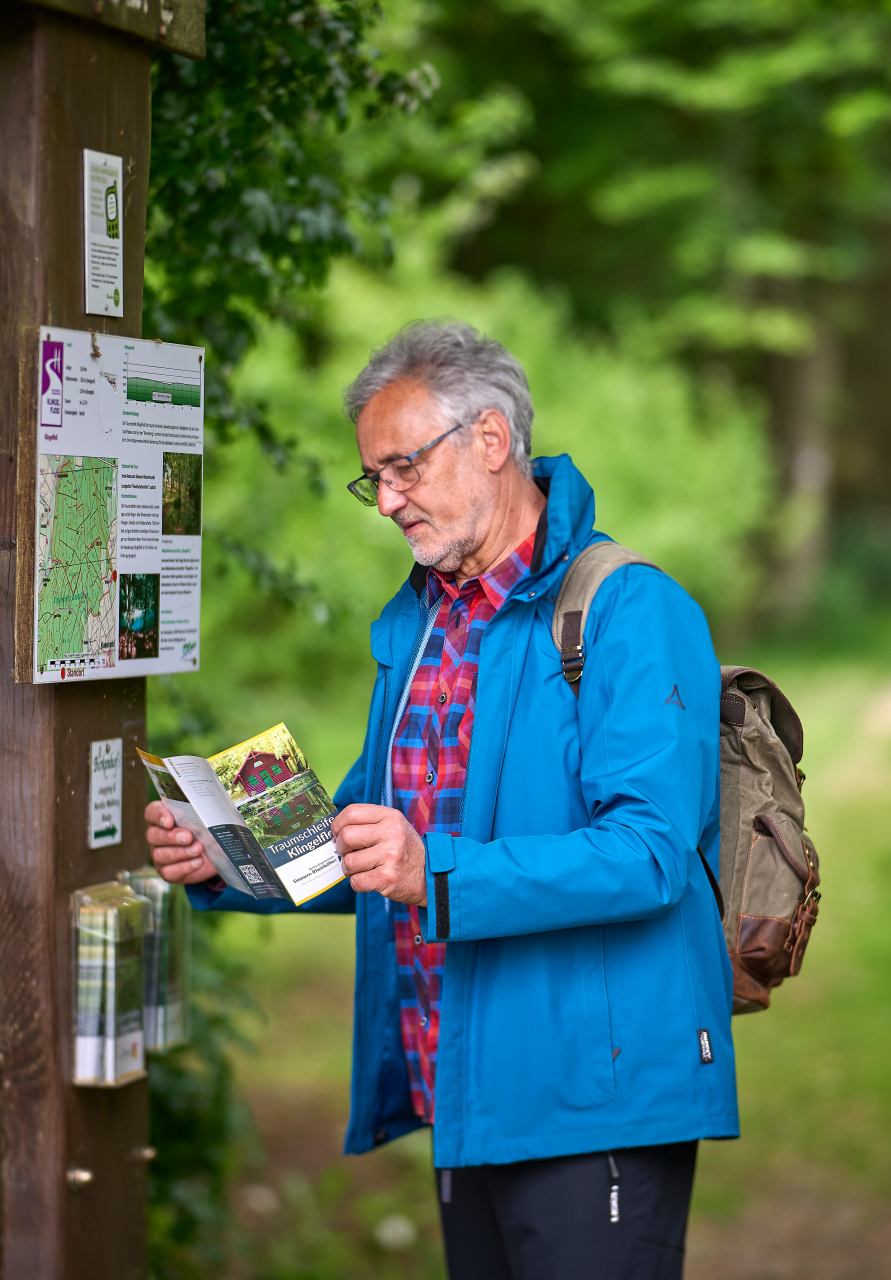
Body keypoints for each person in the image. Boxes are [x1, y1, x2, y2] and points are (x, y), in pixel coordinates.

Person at [145, 320, 736, 1279]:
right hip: (459, 1085)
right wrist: (230, 856)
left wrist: (438, 870)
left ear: (492, 442)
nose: (386, 500)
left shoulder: (629, 608)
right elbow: (374, 839)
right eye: (371, 478)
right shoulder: (423, 620)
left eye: (403, 467)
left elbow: (652, 851)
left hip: (595, 1096)